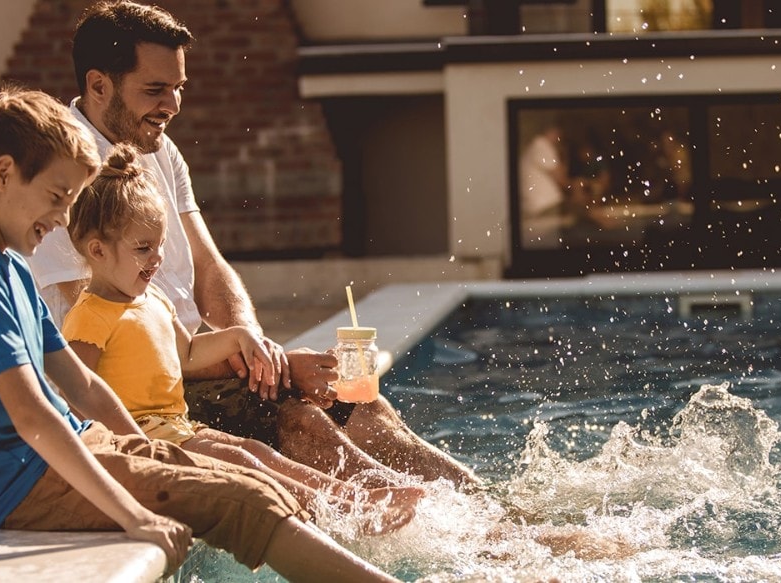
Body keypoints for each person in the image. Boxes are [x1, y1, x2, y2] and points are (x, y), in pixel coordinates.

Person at [0, 87, 398, 581]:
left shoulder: (6, 264)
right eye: (57, 198)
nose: (61, 220)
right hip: (29, 482)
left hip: (87, 448)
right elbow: (32, 415)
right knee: (247, 500)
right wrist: (135, 515)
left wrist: (147, 449)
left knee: (246, 475)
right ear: (4, 173)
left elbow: (82, 386)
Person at [26, 0, 476, 487]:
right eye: (155, 90)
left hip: (205, 358)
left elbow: (209, 266)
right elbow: (108, 344)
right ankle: (428, 527)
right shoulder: (62, 175)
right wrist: (255, 368)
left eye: (178, 89)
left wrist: (260, 355)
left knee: (365, 405)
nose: (173, 106)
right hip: (152, 394)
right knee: (303, 421)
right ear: (98, 85)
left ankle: (496, 518)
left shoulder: (162, 152)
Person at [62, 142, 423, 533]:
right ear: (97, 251)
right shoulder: (90, 317)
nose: (157, 258)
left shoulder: (153, 300)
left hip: (179, 428)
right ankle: (340, 510)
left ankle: (350, 498)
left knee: (255, 451)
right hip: (148, 443)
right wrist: (119, 459)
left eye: (161, 245)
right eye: (143, 248)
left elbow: (186, 353)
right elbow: (78, 393)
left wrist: (238, 337)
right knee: (248, 465)